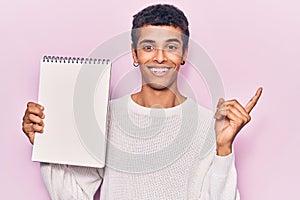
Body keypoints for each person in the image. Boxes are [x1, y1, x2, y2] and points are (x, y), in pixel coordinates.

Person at [22, 4, 262, 200]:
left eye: (171, 47)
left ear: (184, 54)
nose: (159, 57)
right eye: (148, 47)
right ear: (135, 53)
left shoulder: (209, 125)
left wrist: (223, 148)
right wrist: (46, 145)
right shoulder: (106, 117)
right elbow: (73, 196)